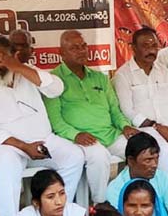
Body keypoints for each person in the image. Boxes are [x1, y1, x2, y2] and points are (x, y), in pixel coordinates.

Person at [0, 34, 83, 216]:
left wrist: (19, 67)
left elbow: (56, 88)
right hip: (4, 147)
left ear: (13, 56)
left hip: (42, 140)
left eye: (1, 57)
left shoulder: (27, 72)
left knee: (74, 156)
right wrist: (24, 146)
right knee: (7, 163)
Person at [45, 30, 138, 204]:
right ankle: (100, 204)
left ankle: (128, 198)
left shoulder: (99, 77)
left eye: (83, 46)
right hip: (80, 139)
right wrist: (75, 135)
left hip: (109, 134)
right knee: (99, 156)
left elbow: (115, 110)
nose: (81, 51)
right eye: (74, 48)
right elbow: (56, 121)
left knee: (141, 150)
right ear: (61, 53)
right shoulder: (53, 80)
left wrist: (125, 125)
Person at [112, 26, 168, 196]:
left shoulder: (163, 71)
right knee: (165, 153)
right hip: (144, 130)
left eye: (154, 46)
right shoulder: (123, 75)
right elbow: (127, 111)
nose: (151, 50)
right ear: (133, 48)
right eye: (145, 46)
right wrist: (157, 127)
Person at [106, 132, 168, 208]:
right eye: (148, 160)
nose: (154, 165)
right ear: (131, 161)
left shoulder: (162, 178)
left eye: (156, 158)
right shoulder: (115, 190)